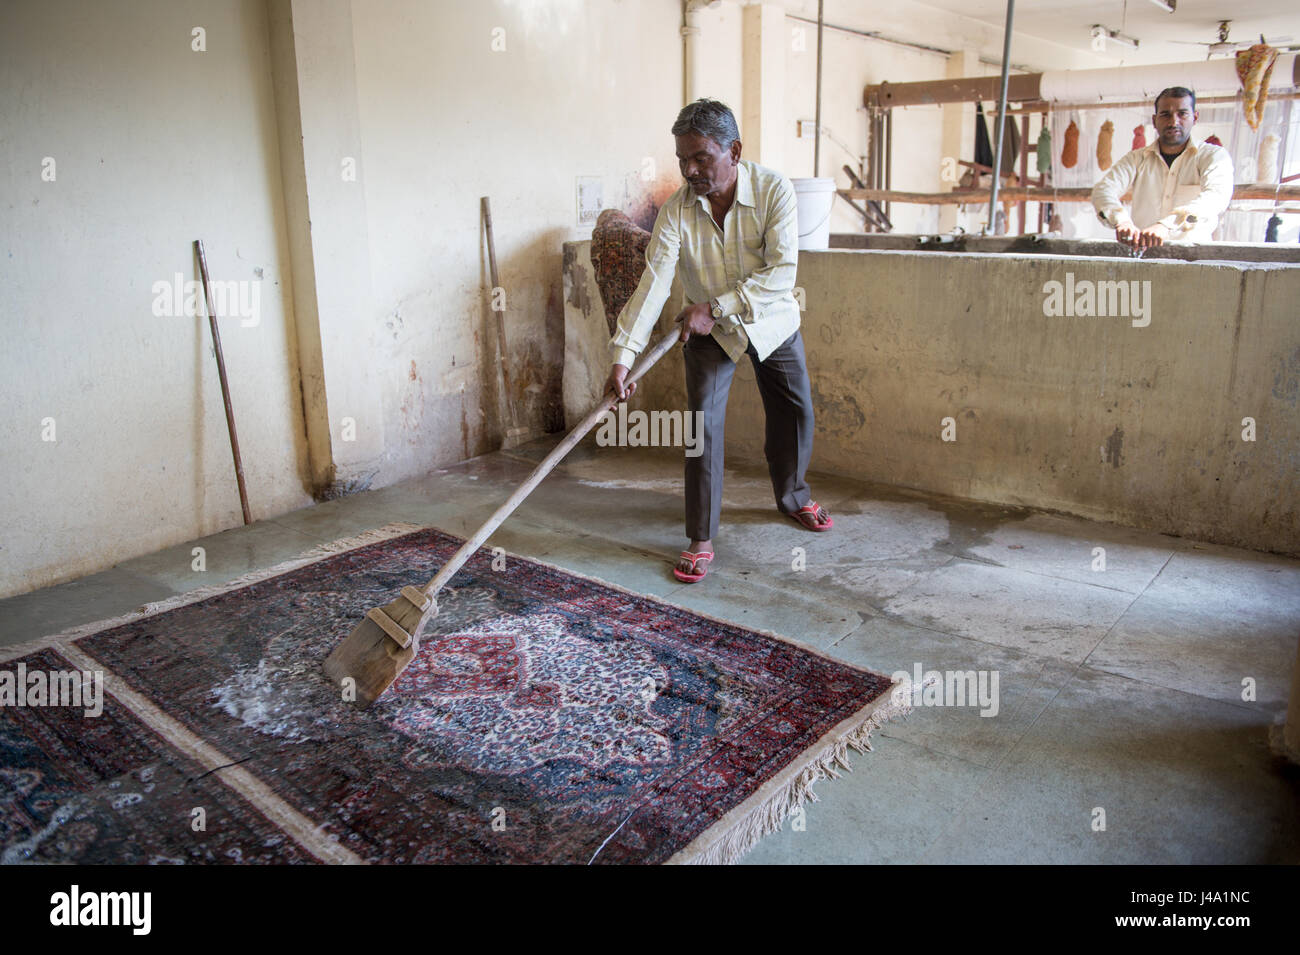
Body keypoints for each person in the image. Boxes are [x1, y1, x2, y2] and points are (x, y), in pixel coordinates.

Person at [603, 98, 832, 584]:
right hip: (707, 332)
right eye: (683, 159)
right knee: (701, 428)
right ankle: (701, 537)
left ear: (734, 151)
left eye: (701, 157)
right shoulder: (676, 213)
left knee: (795, 412)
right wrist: (624, 356)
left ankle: (793, 496)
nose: (690, 170)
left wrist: (716, 306)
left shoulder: (774, 192)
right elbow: (653, 286)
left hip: (769, 320)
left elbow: (781, 273)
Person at [1091, 87, 1234, 247]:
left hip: (1194, 260)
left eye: (1182, 113)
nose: (1173, 122)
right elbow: (1103, 190)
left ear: (1195, 118)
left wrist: (1166, 225)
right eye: (1165, 114)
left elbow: (1216, 197)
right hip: (1143, 257)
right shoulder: (1136, 159)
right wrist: (1121, 221)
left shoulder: (1213, 156)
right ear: (1154, 121)